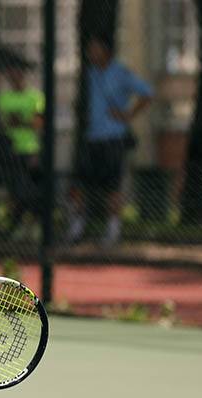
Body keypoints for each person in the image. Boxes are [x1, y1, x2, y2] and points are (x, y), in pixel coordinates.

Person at [68, 35, 153, 246]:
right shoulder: (90, 74)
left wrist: (129, 115)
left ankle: (113, 231)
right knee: (78, 184)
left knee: (113, 187)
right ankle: (77, 227)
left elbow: (147, 93)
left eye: (95, 48)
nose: (91, 53)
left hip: (113, 139)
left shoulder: (121, 73)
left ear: (106, 50)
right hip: (92, 139)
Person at [0, 67, 44, 234]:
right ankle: (16, 225)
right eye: (12, 73)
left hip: (29, 149)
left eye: (18, 72)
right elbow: (3, 123)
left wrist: (19, 121)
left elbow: (37, 123)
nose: (15, 76)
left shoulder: (35, 96)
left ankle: (33, 224)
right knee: (14, 190)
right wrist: (21, 121)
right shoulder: (3, 98)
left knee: (30, 189)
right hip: (9, 150)